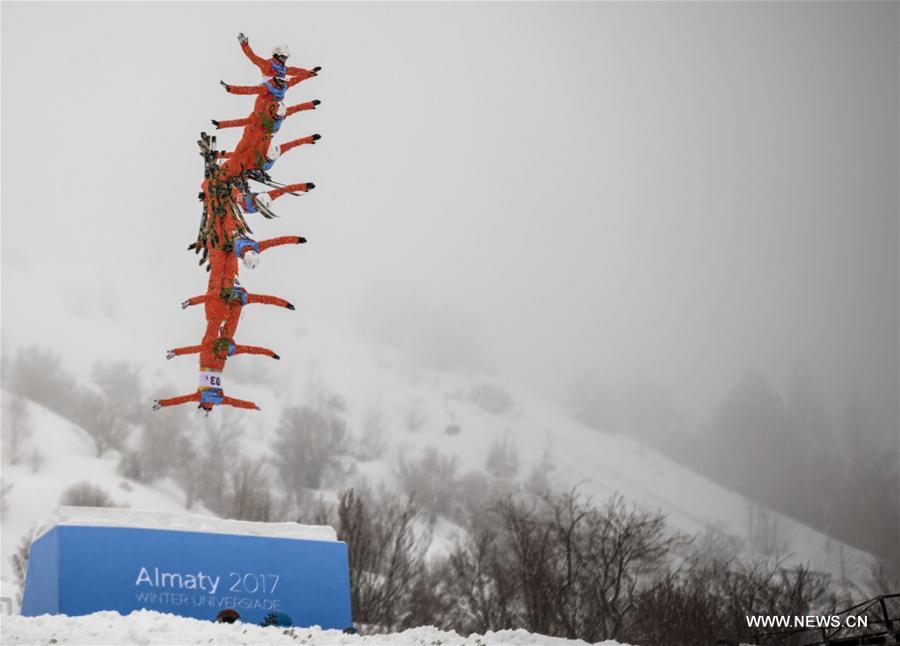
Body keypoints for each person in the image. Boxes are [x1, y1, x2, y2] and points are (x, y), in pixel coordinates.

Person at [237, 32, 320, 81]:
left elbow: (294, 71)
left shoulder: (283, 68)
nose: (284, 60)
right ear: (277, 55)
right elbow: (253, 57)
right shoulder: (267, 65)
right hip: (267, 98)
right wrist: (244, 45)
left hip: (277, 99)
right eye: (283, 57)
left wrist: (309, 72)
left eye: (285, 58)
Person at [213, 100, 320, 134]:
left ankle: (255, 168)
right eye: (276, 117)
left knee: (264, 149)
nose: (277, 118)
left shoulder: (283, 113)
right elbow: (241, 121)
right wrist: (221, 124)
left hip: (268, 134)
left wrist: (311, 104)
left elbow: (297, 108)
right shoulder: (261, 118)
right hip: (254, 131)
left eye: (279, 117)